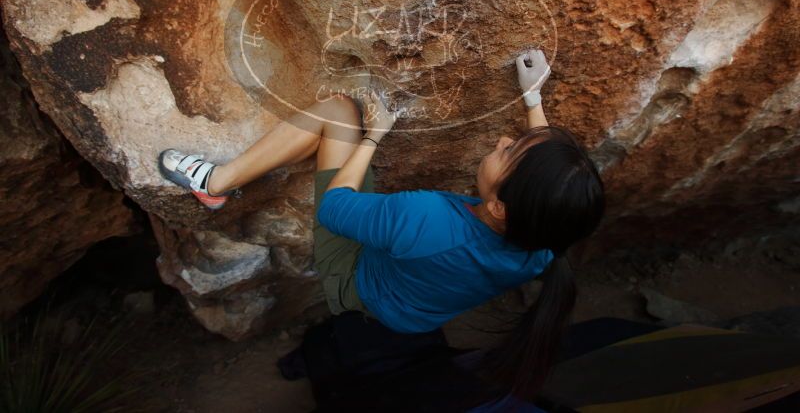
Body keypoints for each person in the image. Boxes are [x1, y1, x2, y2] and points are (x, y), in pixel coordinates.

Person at [158, 48, 605, 401]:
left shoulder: (427, 219)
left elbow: (336, 209)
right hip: (416, 309)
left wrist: (376, 134)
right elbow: (547, 188)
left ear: (504, 207)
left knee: (337, 113)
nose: (504, 140)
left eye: (510, 152)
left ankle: (216, 182)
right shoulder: (543, 245)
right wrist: (534, 99)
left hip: (355, 282)